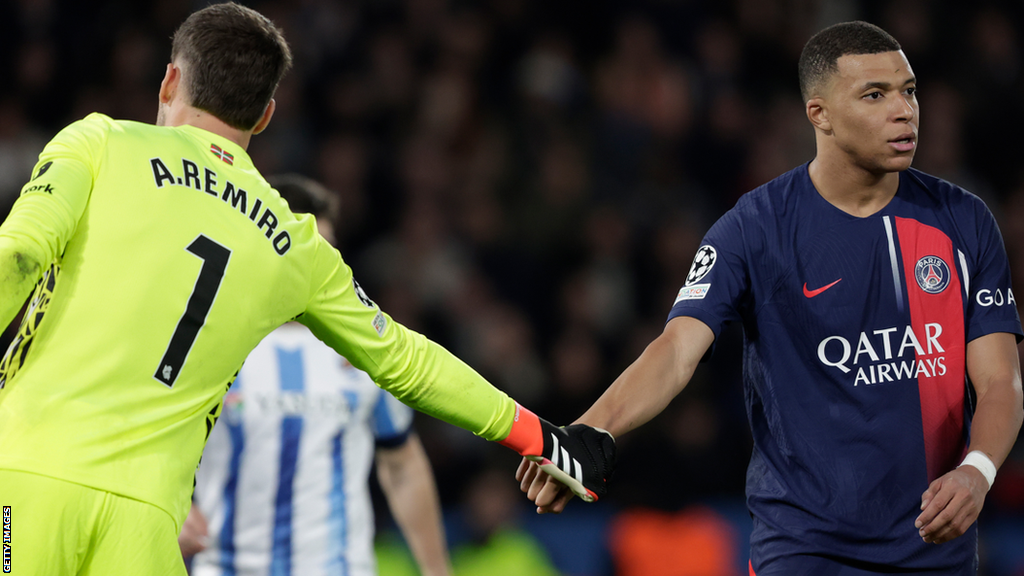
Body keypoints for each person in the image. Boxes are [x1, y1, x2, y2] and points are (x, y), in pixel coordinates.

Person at [0, 4, 613, 576]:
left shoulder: (101, 143)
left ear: (167, 83)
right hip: (143, 522)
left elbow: (18, 256)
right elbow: (407, 361)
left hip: (25, 481)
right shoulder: (293, 243)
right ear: (264, 116)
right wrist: (544, 438)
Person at [519, 20, 1023, 575]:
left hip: (937, 550)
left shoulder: (963, 221)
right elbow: (677, 348)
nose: (904, 110)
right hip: (805, 551)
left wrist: (978, 471)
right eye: (875, 95)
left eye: (909, 91)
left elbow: (1001, 379)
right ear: (820, 115)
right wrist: (589, 431)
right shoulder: (755, 229)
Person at [177, 175, 451, 576]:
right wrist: (174, 507)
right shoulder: (207, 338)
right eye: (307, 249)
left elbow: (402, 464)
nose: (319, 264)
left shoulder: (364, 347)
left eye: (328, 250)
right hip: (225, 566)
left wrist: (437, 570)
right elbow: (145, 437)